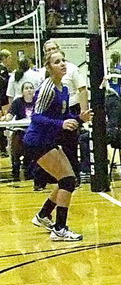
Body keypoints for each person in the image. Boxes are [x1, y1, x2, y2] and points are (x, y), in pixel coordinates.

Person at [24, 49, 92, 241]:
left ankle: (44, 215)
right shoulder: (47, 88)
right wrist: (60, 124)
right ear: (48, 67)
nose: (62, 64)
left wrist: (79, 118)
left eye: (63, 60)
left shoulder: (62, 89)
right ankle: (59, 229)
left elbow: (61, 117)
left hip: (48, 140)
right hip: (37, 141)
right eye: (56, 62)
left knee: (68, 180)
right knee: (68, 181)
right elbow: (36, 117)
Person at [42, 40, 88, 179]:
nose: (51, 51)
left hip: (70, 109)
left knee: (70, 146)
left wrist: (82, 113)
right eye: (48, 50)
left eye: (54, 48)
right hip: (51, 113)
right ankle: (50, 178)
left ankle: (73, 177)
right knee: (49, 146)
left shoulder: (71, 68)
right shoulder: (43, 75)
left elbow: (82, 89)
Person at [1, 80, 36, 180]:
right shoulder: (17, 102)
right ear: (22, 92)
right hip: (21, 129)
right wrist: (6, 117)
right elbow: (10, 114)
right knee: (16, 139)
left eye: (31, 88)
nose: (29, 90)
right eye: (26, 88)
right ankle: (15, 165)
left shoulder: (38, 101)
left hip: (34, 130)